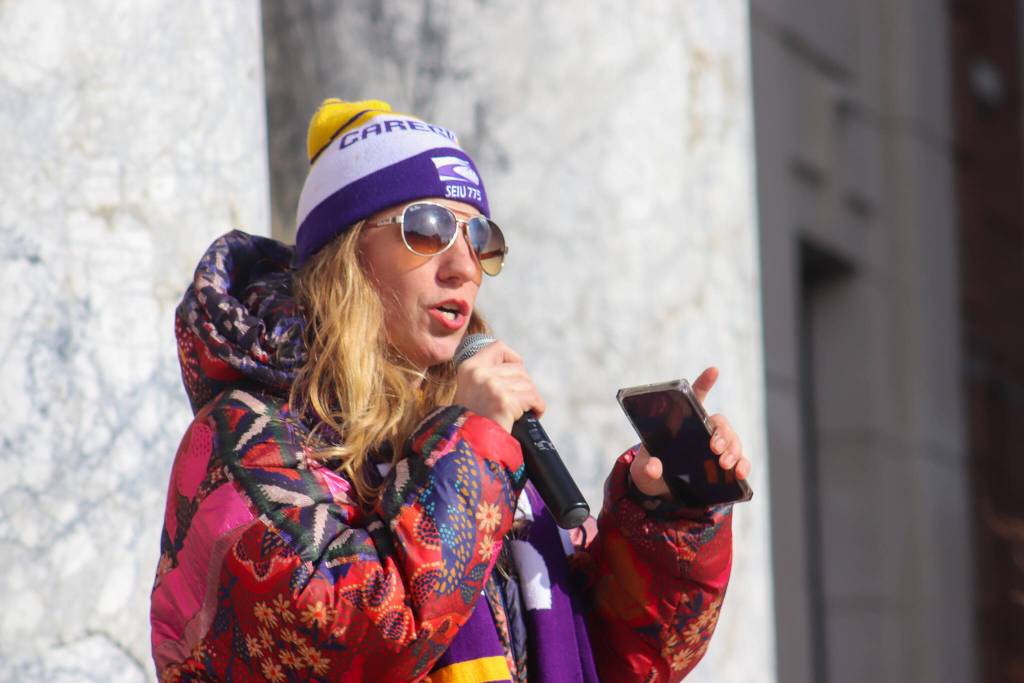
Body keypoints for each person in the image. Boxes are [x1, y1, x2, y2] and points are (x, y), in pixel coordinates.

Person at [150, 98, 752, 683]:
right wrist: (470, 447)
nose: (463, 264)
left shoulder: (474, 441)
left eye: (478, 236)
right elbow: (340, 645)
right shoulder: (245, 436)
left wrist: (666, 515)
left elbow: (610, 659)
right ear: (347, 256)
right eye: (429, 228)